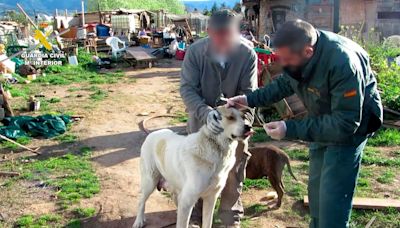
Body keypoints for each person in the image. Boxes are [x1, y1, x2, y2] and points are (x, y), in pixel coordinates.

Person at [228, 20, 383, 228]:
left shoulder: (343, 64)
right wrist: (249, 100)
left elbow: (345, 124)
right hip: (322, 122)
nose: (282, 63)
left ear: (308, 52)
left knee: (332, 200)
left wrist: (289, 129)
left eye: (286, 59)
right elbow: (285, 83)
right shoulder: (298, 54)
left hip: (349, 131)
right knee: (316, 192)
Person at [180, 9, 258, 228]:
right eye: (218, 35)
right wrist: (206, 114)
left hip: (234, 125)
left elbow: (250, 93)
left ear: (237, 31)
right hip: (201, 123)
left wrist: (244, 122)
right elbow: (187, 89)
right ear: (208, 32)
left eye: (229, 34)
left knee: (233, 168)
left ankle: (229, 214)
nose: (224, 40)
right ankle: (196, 212)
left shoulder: (247, 54)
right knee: (197, 168)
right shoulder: (195, 52)